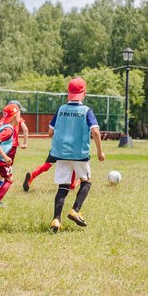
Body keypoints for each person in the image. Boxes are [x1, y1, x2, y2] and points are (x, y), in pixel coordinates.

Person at [47, 77, 105, 233]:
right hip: (79, 154)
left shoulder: (61, 109)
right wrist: (99, 151)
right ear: (84, 93)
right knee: (86, 182)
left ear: (68, 94)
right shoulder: (86, 111)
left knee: (63, 186)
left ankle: (56, 219)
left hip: (61, 153)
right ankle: (75, 210)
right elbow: (95, 131)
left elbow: (50, 132)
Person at [0, 100, 28, 191]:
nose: (20, 113)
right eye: (19, 111)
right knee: (7, 165)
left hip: (1, 145)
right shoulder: (18, 119)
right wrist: (25, 143)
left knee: (0, 163)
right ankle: (3, 184)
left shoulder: (3, 120)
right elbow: (25, 129)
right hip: (12, 145)